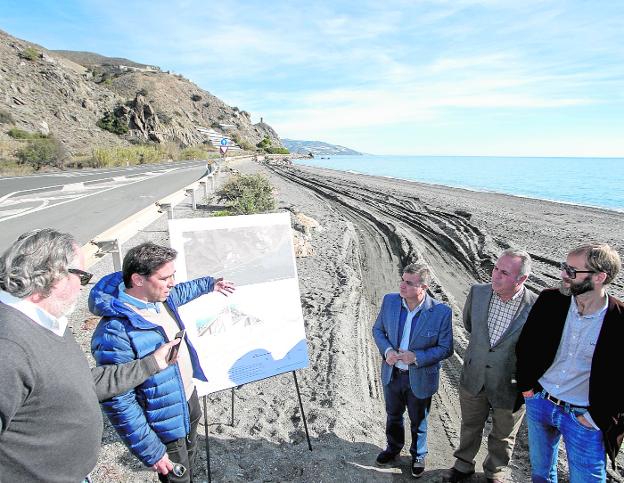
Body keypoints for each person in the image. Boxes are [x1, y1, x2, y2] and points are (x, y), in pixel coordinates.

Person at [0, 229, 179, 482]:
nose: (83, 289)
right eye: (83, 277)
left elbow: (81, 381)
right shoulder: (8, 346)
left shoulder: (46, 322)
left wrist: (151, 363)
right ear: (54, 275)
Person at [90, 242, 235, 482]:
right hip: (162, 420)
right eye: (165, 277)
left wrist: (210, 284)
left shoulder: (160, 297)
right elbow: (117, 399)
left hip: (188, 401)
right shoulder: (114, 333)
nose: (172, 283)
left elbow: (184, 291)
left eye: (173, 276)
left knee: (190, 463)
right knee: (178, 477)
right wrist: (151, 451)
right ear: (138, 280)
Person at [516, 243, 624, 482]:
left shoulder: (620, 320)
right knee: (541, 474)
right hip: (540, 402)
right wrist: (528, 390)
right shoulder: (550, 300)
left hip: (585, 419)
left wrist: (597, 418)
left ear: (599, 277)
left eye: (572, 271)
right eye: (564, 267)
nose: (563, 275)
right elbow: (526, 346)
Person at [444, 249, 537, 483]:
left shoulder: (536, 306)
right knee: (470, 426)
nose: (495, 275)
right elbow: (469, 326)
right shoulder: (478, 293)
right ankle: (463, 464)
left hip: (511, 385)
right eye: (496, 268)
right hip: (474, 376)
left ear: (522, 279)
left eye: (504, 272)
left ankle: (494, 470)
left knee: (503, 435)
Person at [372, 262, 454, 478]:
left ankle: (418, 454)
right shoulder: (389, 301)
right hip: (393, 373)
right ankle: (393, 447)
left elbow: (446, 348)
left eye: (409, 283)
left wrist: (417, 357)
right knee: (393, 415)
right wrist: (388, 350)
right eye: (402, 280)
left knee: (419, 420)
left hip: (420, 377)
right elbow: (378, 330)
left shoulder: (441, 312)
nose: (402, 286)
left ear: (424, 287)